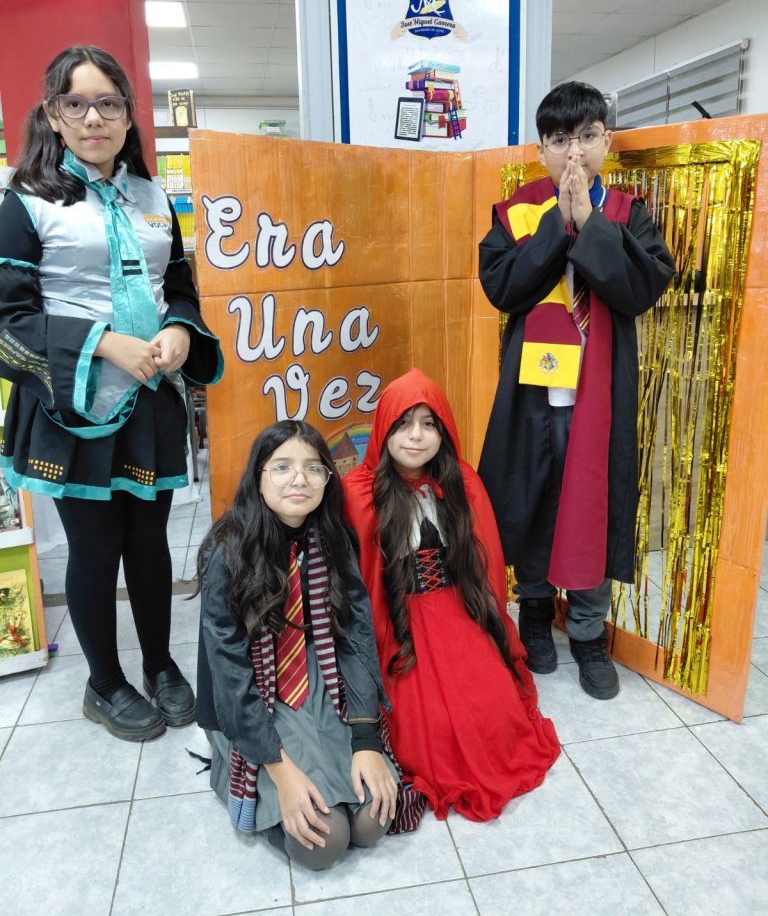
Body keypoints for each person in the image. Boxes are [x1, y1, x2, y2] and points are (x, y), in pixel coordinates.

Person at [0, 45, 223, 740]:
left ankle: (160, 664)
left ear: (129, 115)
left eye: (108, 103)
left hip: (151, 398)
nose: (93, 118)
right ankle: (104, 683)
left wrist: (180, 327)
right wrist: (101, 343)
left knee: (150, 543)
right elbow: (8, 319)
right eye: (76, 104)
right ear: (52, 116)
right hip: (72, 404)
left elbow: (178, 286)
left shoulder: (154, 198)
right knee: (95, 549)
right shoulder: (25, 202)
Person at [478, 81, 676, 700]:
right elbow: (503, 288)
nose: (574, 152)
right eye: (560, 139)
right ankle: (537, 615)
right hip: (533, 396)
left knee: (594, 505)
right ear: (540, 149)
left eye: (587, 136)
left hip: (600, 396)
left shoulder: (628, 213)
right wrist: (557, 226)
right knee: (533, 500)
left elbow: (640, 290)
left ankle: (589, 634)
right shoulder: (516, 212)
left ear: (606, 142)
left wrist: (589, 224)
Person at [343, 368, 560, 823]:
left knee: (492, 714)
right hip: (399, 623)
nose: (416, 436)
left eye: (428, 423)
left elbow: (485, 563)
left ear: (443, 430)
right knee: (427, 730)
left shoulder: (462, 482)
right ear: (384, 428)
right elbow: (358, 582)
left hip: (458, 610)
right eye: (404, 423)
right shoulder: (359, 493)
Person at [196, 420, 398, 870]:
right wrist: (280, 772)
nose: (299, 479)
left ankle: (329, 777)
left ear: (327, 480)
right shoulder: (227, 551)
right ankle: (252, 788)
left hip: (319, 673)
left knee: (372, 821)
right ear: (258, 478)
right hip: (256, 691)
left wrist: (366, 740)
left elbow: (356, 638)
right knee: (324, 843)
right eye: (282, 467)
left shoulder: (333, 537)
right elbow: (229, 671)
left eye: (313, 468)